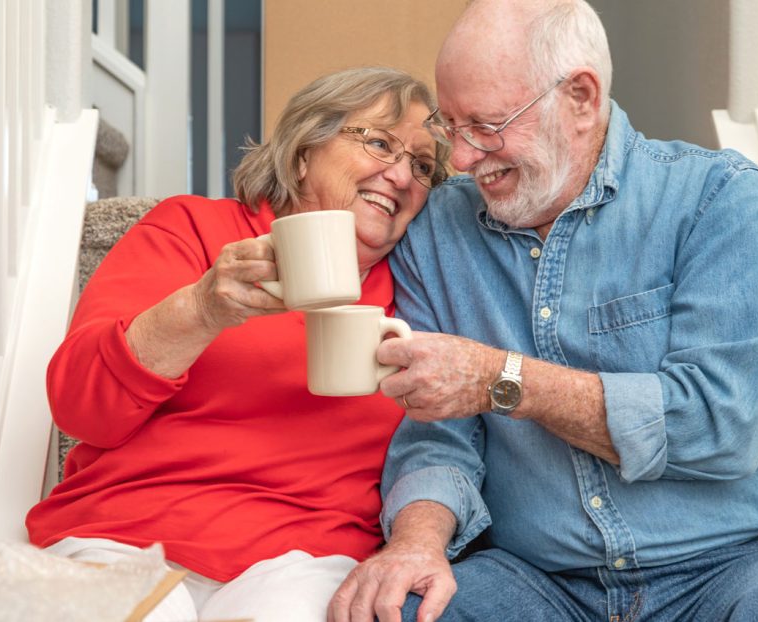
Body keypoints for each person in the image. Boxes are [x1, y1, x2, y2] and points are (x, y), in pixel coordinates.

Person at [327, 2, 758, 621]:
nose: (463, 159)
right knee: (402, 607)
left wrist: (504, 381)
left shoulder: (717, 199)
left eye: (488, 125)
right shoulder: (440, 232)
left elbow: (719, 426)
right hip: (538, 581)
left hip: (735, 565)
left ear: (580, 97)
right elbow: (439, 435)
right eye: (452, 126)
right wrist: (416, 542)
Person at [26, 66, 448, 622]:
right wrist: (200, 308)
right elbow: (82, 409)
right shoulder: (191, 230)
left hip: (306, 561)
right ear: (303, 153)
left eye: (422, 166)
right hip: (126, 536)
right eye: (378, 143)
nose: (401, 176)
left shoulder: (422, 294)